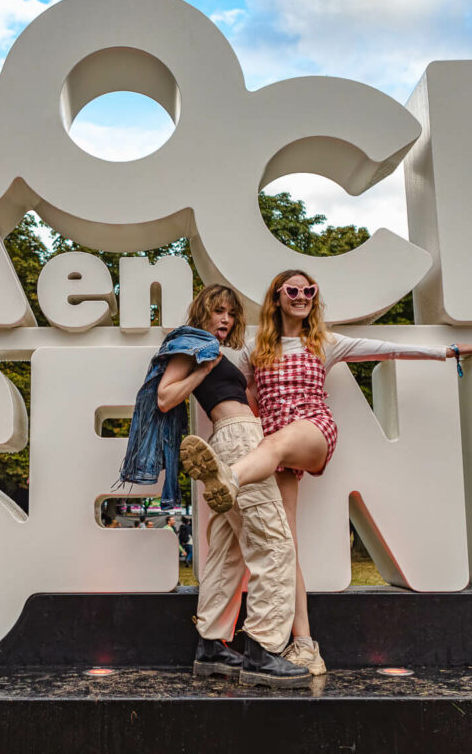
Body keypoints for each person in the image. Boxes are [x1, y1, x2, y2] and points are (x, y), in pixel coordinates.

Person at [180, 269, 472, 674]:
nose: (302, 295)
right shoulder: (254, 349)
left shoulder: (324, 342)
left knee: (273, 445)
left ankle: (231, 477)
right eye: (293, 289)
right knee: (284, 544)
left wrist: (447, 351)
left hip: (311, 431)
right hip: (271, 448)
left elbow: (386, 349)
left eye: (309, 290)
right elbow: (222, 379)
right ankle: (304, 644)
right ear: (277, 296)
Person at [152, 284, 311, 687]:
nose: (225, 319)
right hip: (237, 437)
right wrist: (204, 370)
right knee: (274, 544)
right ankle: (262, 650)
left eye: (231, 314)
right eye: (218, 311)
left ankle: (211, 645)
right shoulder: (191, 346)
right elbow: (166, 397)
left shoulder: (213, 349)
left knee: (228, 551)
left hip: (236, 442)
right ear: (202, 311)